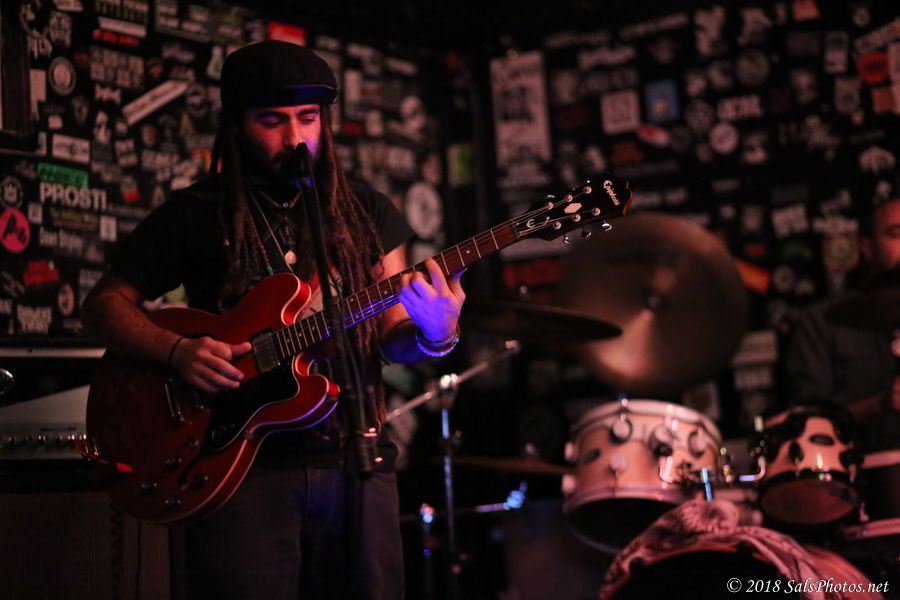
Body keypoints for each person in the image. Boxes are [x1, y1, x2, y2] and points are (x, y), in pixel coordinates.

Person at [81, 40, 465, 600]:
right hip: (239, 468)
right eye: (272, 121)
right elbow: (102, 306)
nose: (295, 137)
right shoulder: (196, 214)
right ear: (237, 125)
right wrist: (177, 351)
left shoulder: (368, 212)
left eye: (308, 118)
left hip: (356, 461)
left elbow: (393, 340)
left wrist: (438, 332)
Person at [785, 194, 900, 451]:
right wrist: (879, 404)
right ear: (867, 247)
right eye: (896, 233)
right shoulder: (823, 322)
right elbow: (808, 421)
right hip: (859, 468)